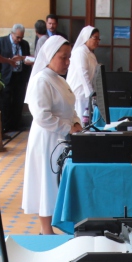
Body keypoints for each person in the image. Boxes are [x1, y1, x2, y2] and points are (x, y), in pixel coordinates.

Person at [21, 35, 81, 235]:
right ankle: (45, 230)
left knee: (55, 182)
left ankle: (52, 228)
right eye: (63, 57)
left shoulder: (59, 80)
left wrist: (77, 122)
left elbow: (70, 106)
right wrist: (68, 127)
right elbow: (42, 116)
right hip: (47, 138)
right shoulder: (42, 80)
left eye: (69, 57)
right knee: (46, 182)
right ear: (49, 56)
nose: (67, 62)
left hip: (60, 137)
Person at [0, 23, 31, 132]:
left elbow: (28, 59)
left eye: (21, 37)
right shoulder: (1, 41)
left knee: (18, 101)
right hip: (6, 77)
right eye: (17, 37)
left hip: (19, 76)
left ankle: (16, 124)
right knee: (5, 102)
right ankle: (6, 125)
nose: (19, 40)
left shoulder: (24, 44)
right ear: (12, 33)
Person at [65, 26, 100, 126]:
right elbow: (83, 74)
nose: (98, 41)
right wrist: (91, 94)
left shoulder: (91, 54)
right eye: (95, 38)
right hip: (79, 94)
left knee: (87, 122)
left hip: (87, 94)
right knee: (79, 121)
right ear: (86, 37)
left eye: (99, 38)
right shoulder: (80, 52)